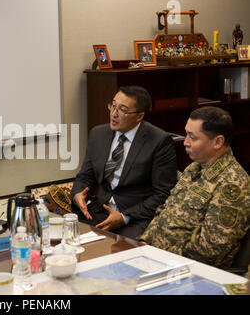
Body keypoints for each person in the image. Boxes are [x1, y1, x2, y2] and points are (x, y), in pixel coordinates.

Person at [140, 107, 250, 269]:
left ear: (218, 142)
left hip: (188, 269)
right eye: (186, 134)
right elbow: (165, 210)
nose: (185, 142)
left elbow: (211, 250)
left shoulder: (232, 185)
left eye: (193, 137)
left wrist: (160, 254)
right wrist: (145, 241)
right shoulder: (194, 167)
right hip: (157, 256)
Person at [71, 86, 177, 239]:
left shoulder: (159, 141)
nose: (114, 114)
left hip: (135, 218)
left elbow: (163, 193)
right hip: (100, 211)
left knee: (122, 252)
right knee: (70, 240)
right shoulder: (98, 134)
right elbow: (86, 176)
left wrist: (124, 217)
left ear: (139, 116)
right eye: (113, 106)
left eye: (123, 110)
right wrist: (78, 194)